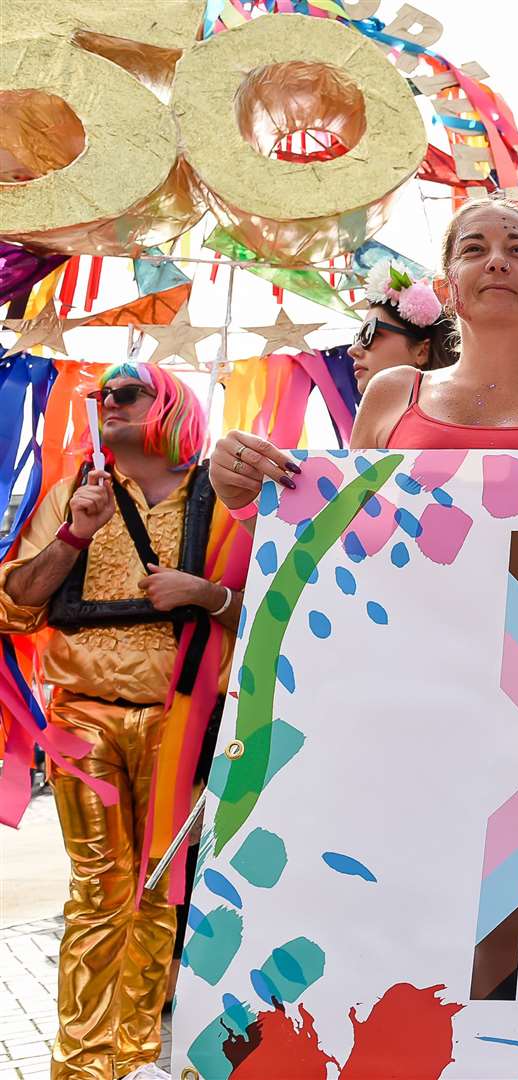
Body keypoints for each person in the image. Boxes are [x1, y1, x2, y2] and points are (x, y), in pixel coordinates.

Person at [0, 364, 241, 1080]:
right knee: (101, 886)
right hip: (80, 720)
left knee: (157, 894)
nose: (108, 402)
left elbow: (274, 606)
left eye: (127, 393)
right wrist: (75, 535)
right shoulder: (77, 491)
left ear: (171, 405)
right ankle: (78, 1065)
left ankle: (133, 1062)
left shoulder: (226, 499)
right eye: (101, 394)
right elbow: (12, 603)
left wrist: (207, 594)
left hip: (181, 723)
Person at [211, 199, 518, 505]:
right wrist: (241, 498)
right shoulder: (394, 393)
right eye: (474, 249)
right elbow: (341, 546)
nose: (498, 262)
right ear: (446, 289)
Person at [346, 259, 458, 394]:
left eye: (369, 333)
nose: (352, 350)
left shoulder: (460, 413)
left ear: (422, 351)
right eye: (358, 337)